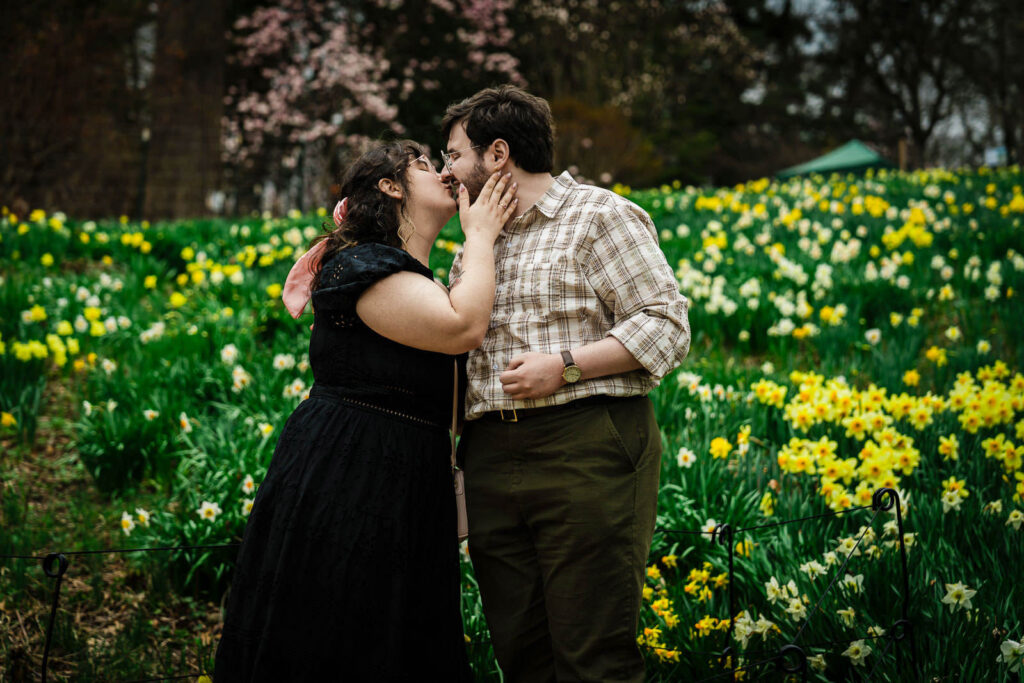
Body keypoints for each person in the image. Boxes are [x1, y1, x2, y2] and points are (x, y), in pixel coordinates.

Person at [213, 139, 518, 681]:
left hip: (405, 471)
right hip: (352, 470)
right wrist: (482, 235)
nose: (445, 171)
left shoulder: (412, 274)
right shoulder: (361, 265)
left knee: (395, 634)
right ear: (390, 186)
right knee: (343, 628)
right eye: (425, 164)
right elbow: (462, 329)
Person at [440, 86, 691, 683]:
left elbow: (666, 323)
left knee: (592, 657)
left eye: (453, 155)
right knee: (522, 655)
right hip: (491, 460)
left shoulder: (599, 216)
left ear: (497, 154)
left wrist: (567, 365)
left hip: (587, 448)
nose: (446, 171)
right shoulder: (475, 245)